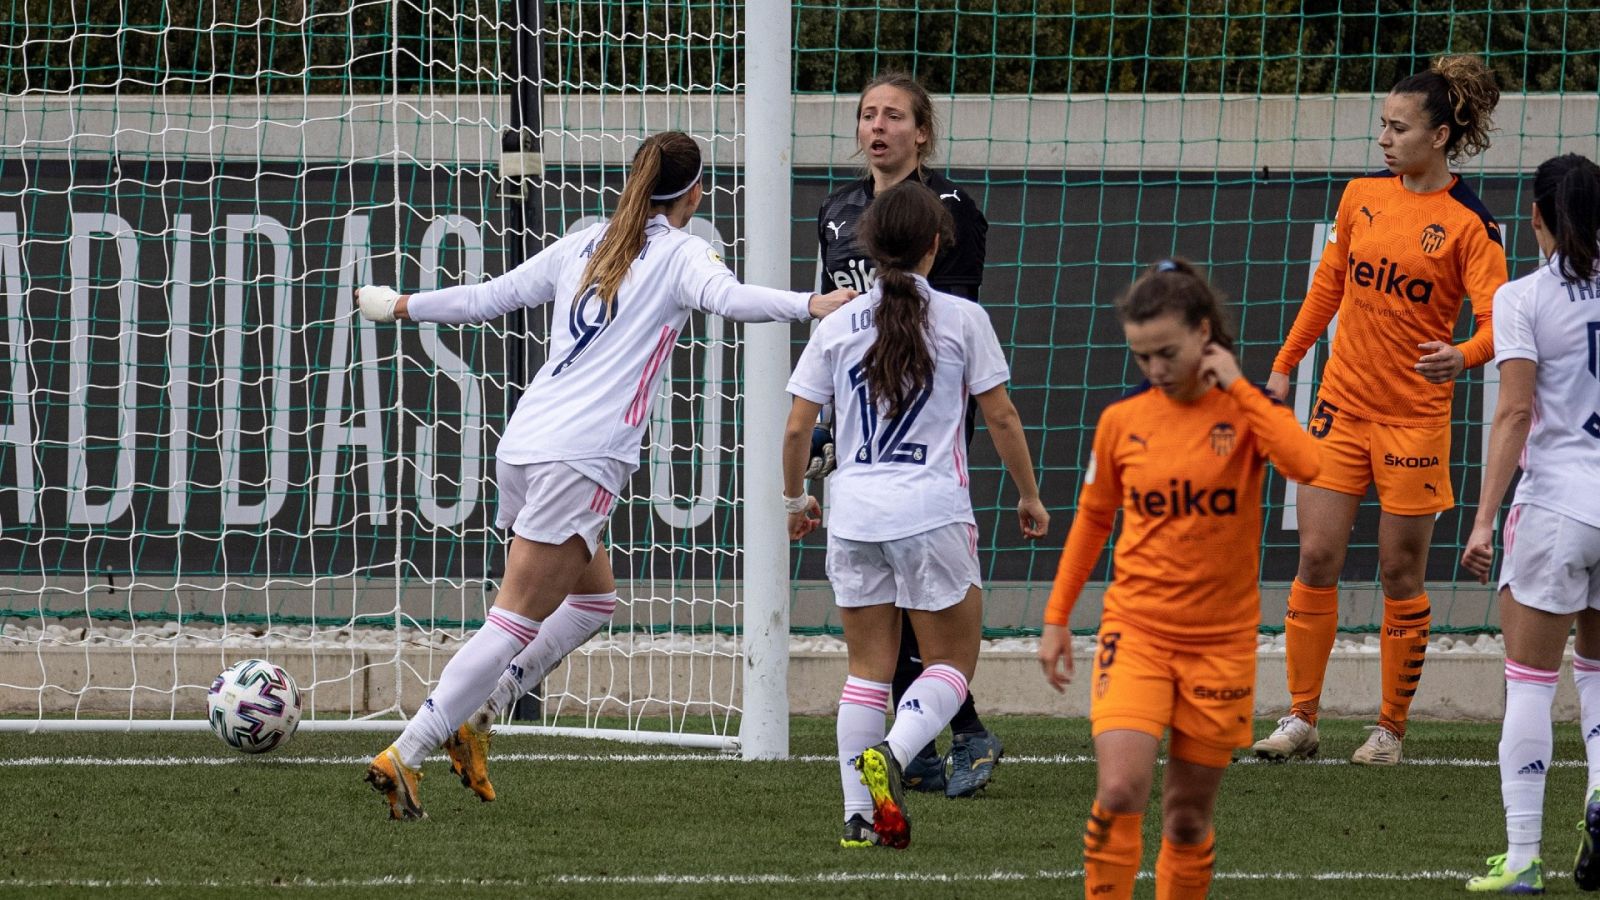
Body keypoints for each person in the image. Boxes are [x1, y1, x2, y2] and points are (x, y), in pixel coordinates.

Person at [352, 130, 855, 819]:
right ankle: (406, 752)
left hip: (526, 446)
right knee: (513, 620)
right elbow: (729, 299)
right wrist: (809, 304)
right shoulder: (683, 254)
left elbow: (486, 298)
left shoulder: (584, 242)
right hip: (581, 456)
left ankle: (483, 712)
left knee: (592, 602)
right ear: (696, 191)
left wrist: (402, 304)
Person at [1252, 54, 1508, 766]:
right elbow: (1327, 288)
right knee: (1317, 555)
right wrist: (1283, 366)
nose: (1385, 139)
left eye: (1398, 128)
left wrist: (1462, 355)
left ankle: (1390, 728)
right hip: (1341, 407)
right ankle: (1301, 717)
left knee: (1399, 574)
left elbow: (1498, 324)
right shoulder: (1361, 195)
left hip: (1414, 421)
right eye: (1382, 125)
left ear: (1440, 135)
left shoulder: (1469, 225)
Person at [1039, 259, 1322, 899]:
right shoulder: (1123, 422)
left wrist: (1245, 389)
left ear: (1205, 335)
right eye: (1142, 358)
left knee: (1188, 819)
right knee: (1118, 791)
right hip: (1135, 633)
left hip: (1220, 646)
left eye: (1167, 353)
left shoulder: (1246, 413)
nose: (1156, 370)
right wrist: (1057, 618)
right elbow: (1091, 522)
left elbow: (1308, 463)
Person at [783, 181, 1047, 848]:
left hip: (854, 514)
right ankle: (895, 756)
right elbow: (1002, 415)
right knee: (952, 664)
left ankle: (857, 817)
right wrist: (1029, 494)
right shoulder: (961, 318)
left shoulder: (837, 323)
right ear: (936, 244)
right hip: (931, 511)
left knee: (868, 670)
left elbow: (795, 430)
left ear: (869, 248)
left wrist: (795, 501)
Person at [812, 70, 1000, 798]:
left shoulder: (951, 209)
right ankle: (914, 744)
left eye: (894, 116)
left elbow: (948, 320)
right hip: (861, 419)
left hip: (928, 420)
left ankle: (963, 730)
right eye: (867, 115)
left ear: (922, 133)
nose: (877, 127)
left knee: (923, 594)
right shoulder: (837, 211)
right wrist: (830, 416)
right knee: (878, 593)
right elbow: (835, 317)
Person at [1459, 153, 1600, 894]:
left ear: (1537, 218)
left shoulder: (1523, 296)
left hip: (1557, 506)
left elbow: (1515, 411)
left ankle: (1521, 857)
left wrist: (1484, 520)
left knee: (1532, 682)